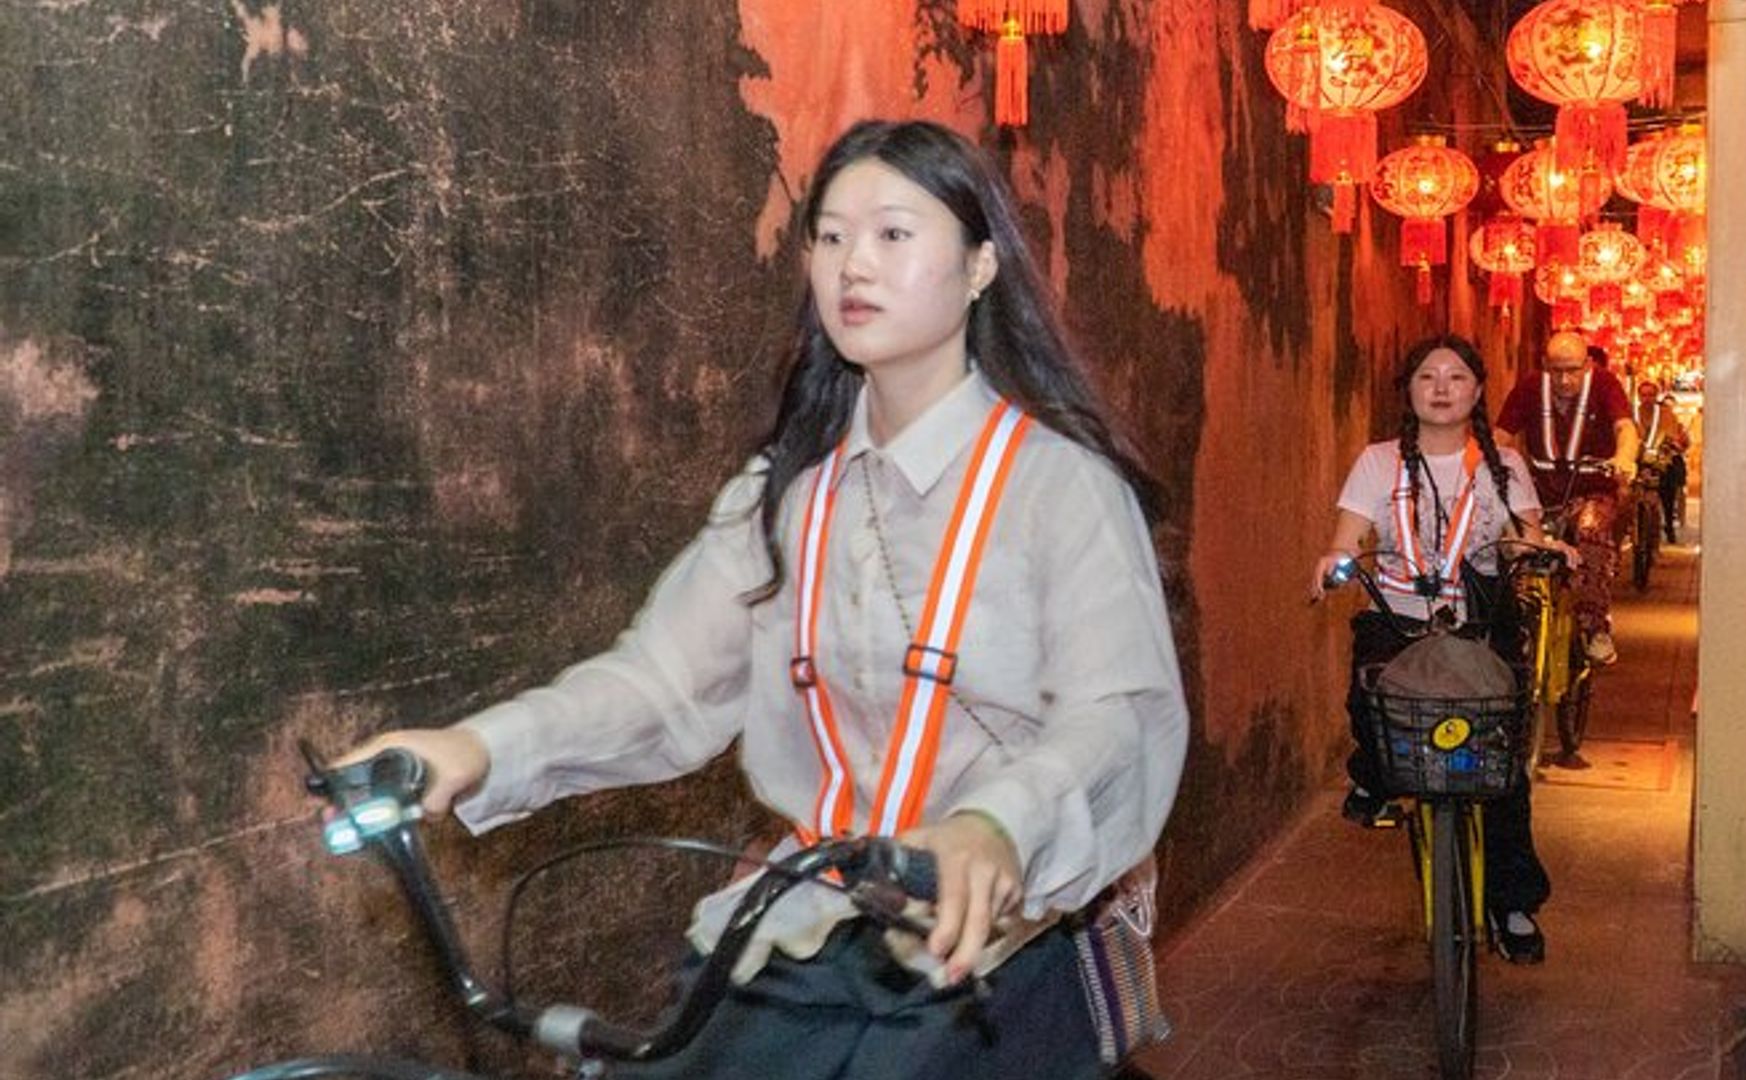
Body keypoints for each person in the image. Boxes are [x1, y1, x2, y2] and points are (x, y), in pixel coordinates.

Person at [336, 119, 1188, 1079]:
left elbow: (1116, 716)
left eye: (893, 234)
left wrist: (996, 825)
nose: (853, 265)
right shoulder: (784, 493)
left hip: (994, 937)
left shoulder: (1059, 487)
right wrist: (478, 748)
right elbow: (662, 683)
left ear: (980, 265)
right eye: (831, 236)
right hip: (817, 918)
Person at [1309, 335, 1571, 965]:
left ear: (1477, 391)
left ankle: (1511, 905)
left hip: (1479, 621)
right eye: (1428, 376)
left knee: (1501, 763)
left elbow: (1524, 535)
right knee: (1370, 702)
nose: (1442, 388)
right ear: (1409, 390)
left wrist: (1542, 550)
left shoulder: (1504, 465)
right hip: (1397, 619)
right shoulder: (1378, 462)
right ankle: (1375, 775)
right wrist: (1333, 561)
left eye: (1456, 377)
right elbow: (1347, 538)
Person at [1495, 331, 1637, 666]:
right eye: (1556, 370)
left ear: (1587, 365)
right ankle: (1509, 625)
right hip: (1540, 494)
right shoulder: (1530, 388)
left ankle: (1595, 627)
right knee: (1508, 541)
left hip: (1592, 491)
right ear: (1545, 365)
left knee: (1591, 532)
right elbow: (1501, 434)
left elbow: (1625, 428)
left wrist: (1624, 457)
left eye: (1572, 370)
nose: (1564, 379)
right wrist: (1483, 461)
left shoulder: (1605, 385)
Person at [1631, 382, 1691, 543]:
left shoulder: (1666, 414)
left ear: (1656, 396)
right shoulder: (1633, 414)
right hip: (1638, 462)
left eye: (1651, 395)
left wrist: (1671, 444)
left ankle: (1669, 526)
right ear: (1639, 396)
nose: (1647, 399)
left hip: (1661, 462)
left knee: (1668, 494)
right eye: (1644, 395)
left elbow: (1674, 435)